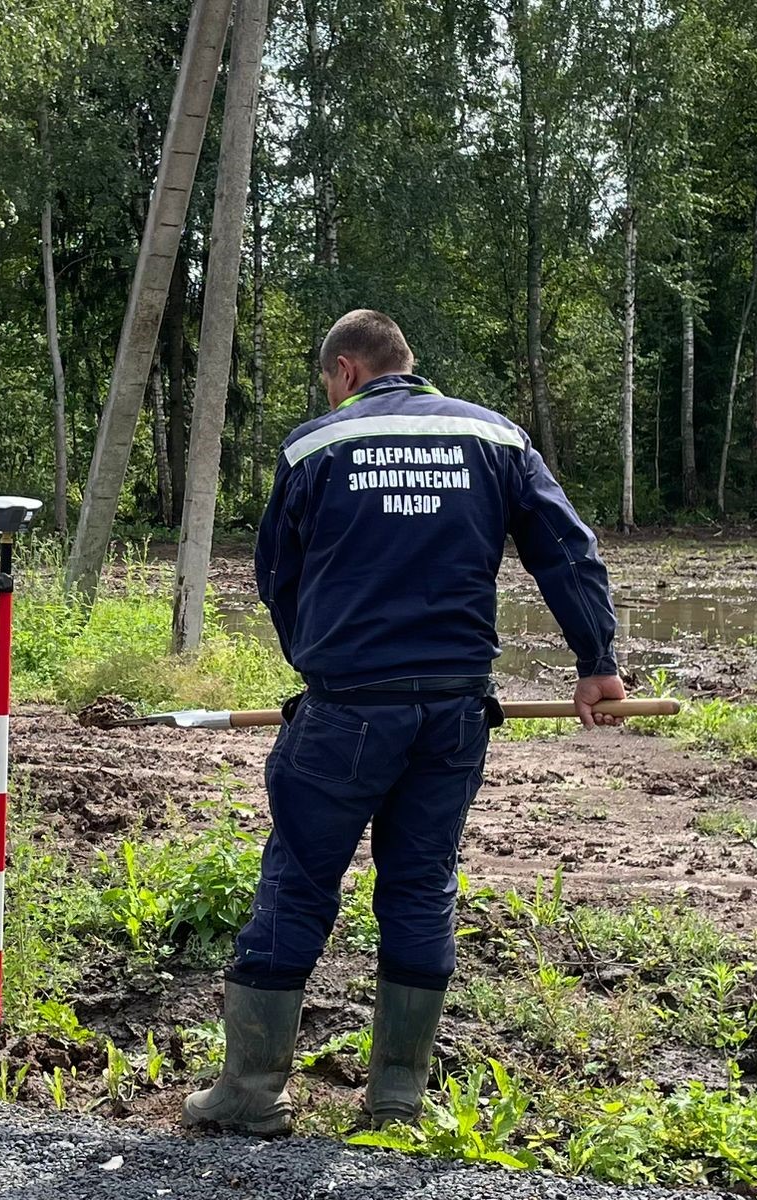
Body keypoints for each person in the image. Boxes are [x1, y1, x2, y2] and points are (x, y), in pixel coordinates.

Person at [183, 310, 625, 1136]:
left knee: (300, 878)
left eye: (328, 379)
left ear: (345, 370)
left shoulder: (316, 445)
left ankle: (249, 1094)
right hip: (456, 709)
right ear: (407, 364)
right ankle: (395, 1100)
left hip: (347, 707)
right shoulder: (497, 439)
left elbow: (277, 574)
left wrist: (314, 661)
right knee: (421, 885)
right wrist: (596, 662)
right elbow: (567, 552)